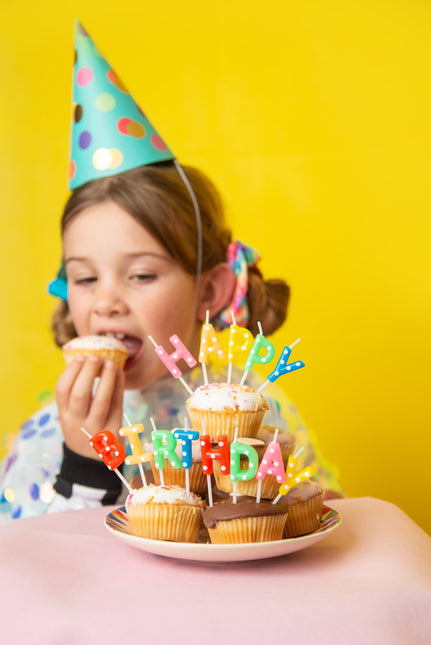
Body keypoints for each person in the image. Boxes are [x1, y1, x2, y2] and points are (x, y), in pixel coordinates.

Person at [0, 23, 342, 525]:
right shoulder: (51, 431)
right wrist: (83, 460)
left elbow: (309, 521)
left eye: (140, 276)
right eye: (86, 278)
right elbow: (29, 571)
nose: (106, 302)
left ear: (209, 291)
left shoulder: (251, 409)